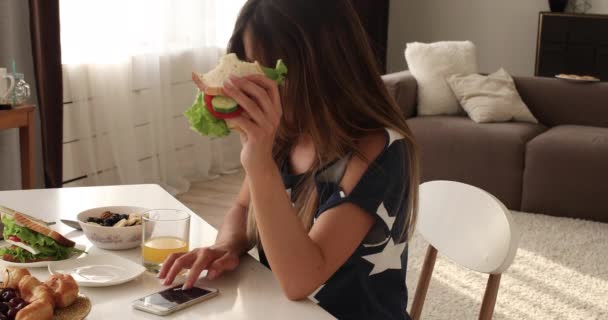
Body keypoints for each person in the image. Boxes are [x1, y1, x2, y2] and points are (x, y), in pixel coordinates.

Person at [159, 0, 420, 319]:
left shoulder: (380, 150)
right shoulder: (287, 134)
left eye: (267, 72)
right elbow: (243, 209)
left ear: (322, 67)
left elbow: (301, 280)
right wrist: (226, 245)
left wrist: (258, 162)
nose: (253, 87)